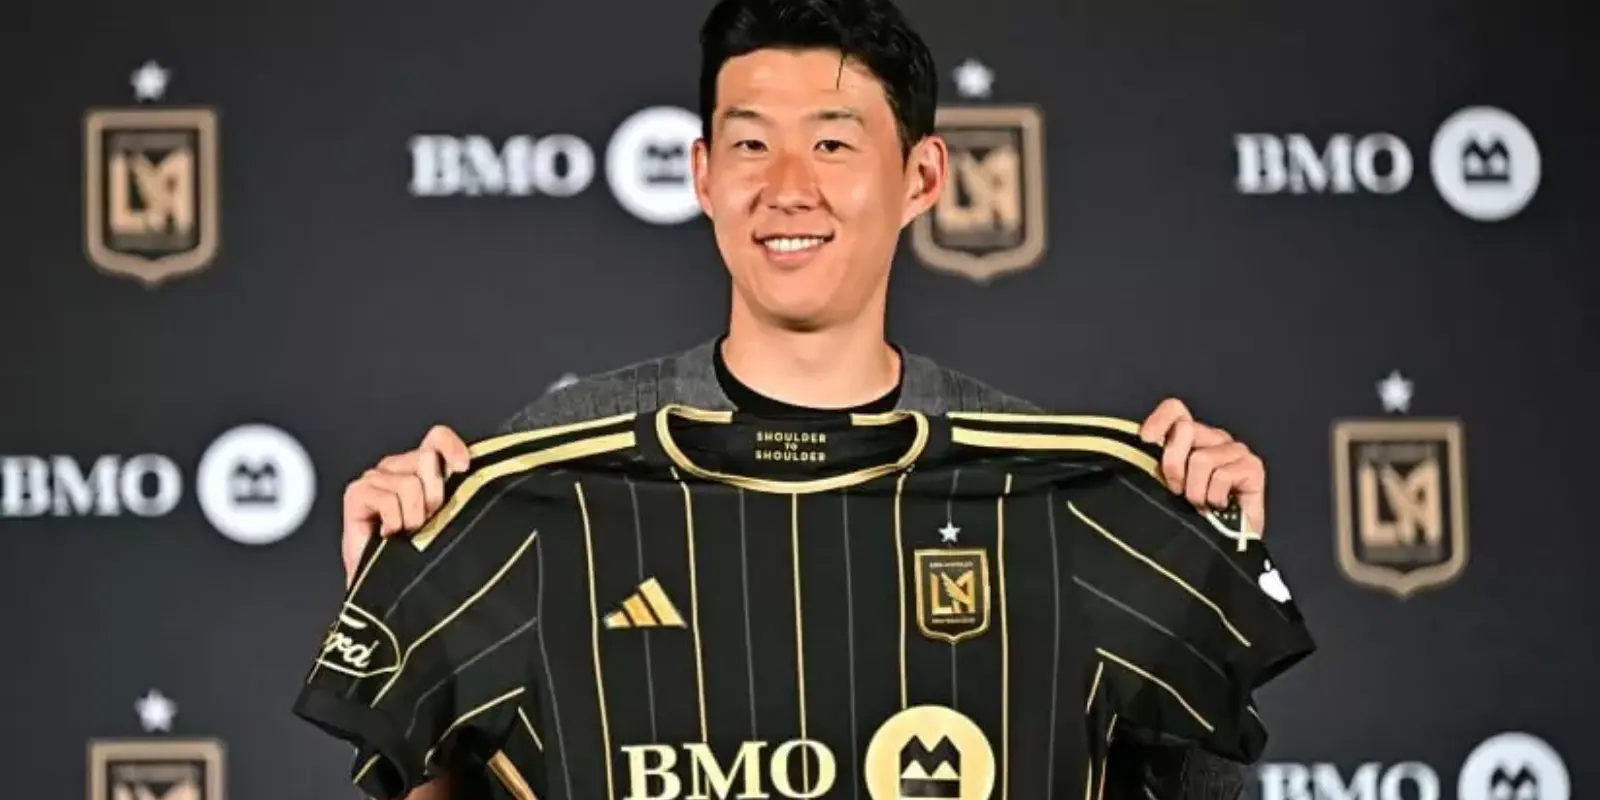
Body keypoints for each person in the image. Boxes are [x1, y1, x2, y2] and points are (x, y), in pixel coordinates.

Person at [336, 0, 1271, 797]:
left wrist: (1204, 577)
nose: (788, 188)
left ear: (921, 176)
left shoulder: (1053, 494)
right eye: (751, 144)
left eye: (831, 142)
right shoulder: (550, 466)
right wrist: (413, 607)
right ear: (703, 175)